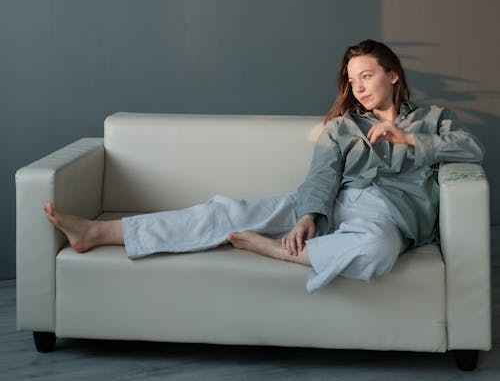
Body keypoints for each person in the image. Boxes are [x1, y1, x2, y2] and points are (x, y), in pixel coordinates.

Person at [44, 39, 484, 293]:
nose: (358, 87)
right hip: (333, 203)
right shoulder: (344, 126)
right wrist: (310, 214)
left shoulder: (432, 120)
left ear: (393, 75)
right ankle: (97, 232)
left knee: (374, 253)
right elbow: (323, 175)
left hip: (388, 214)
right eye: (352, 80)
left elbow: (470, 149)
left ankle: (271, 250)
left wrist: (407, 138)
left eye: (366, 76)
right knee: (225, 212)